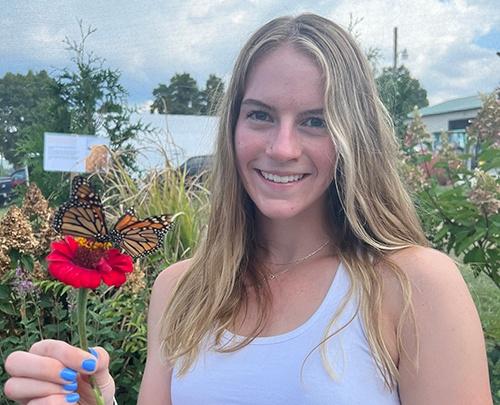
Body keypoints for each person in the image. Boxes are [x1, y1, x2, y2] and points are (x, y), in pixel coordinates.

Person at [4, 13, 492, 405]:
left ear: (354, 139)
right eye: (260, 114)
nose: (282, 148)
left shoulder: (413, 286)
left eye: (315, 121)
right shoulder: (179, 290)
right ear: (233, 127)